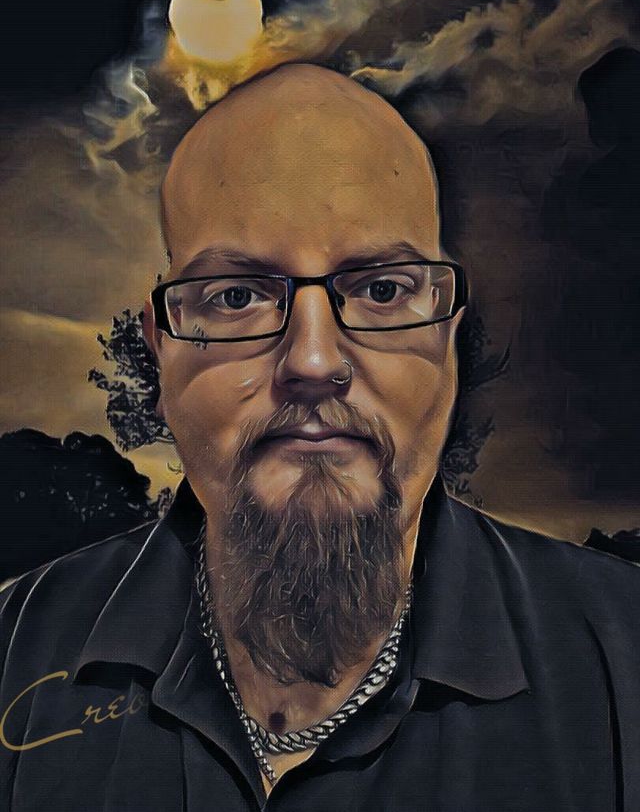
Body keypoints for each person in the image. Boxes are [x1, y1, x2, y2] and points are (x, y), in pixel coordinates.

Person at [1, 63, 639, 812]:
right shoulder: (15, 654)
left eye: (382, 290)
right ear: (161, 347)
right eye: (236, 296)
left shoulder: (625, 659)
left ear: (448, 340)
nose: (312, 361)